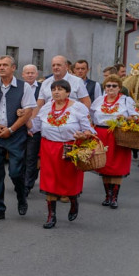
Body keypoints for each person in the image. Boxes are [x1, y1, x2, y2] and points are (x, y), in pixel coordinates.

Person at [0, 55, 35, 220]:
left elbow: (28, 112)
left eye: (5, 65)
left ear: (13, 68)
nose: (1, 68)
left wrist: (11, 129)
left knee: (15, 172)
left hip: (16, 135)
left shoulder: (24, 87)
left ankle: (21, 197)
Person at [34, 80, 96, 228]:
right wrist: (24, 117)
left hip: (70, 147)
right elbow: (35, 126)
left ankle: (73, 201)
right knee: (49, 181)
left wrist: (84, 135)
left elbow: (89, 129)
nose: (56, 92)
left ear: (68, 92)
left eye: (60, 89)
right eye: (54, 89)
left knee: (68, 180)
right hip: (48, 148)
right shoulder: (46, 107)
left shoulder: (78, 107)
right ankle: (51, 216)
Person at [89, 75, 139, 209]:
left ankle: (114, 197)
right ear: (104, 88)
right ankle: (108, 195)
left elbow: (137, 117)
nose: (111, 88)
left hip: (118, 135)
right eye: (108, 86)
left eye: (114, 86)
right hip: (101, 135)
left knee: (117, 166)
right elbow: (91, 116)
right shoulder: (99, 100)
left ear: (119, 88)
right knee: (104, 165)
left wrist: (126, 118)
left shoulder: (126, 100)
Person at [20, 64, 43, 193]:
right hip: (20, 126)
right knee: (20, 156)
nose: (30, 75)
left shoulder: (42, 88)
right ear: (22, 75)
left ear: (36, 74)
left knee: (31, 156)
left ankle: (27, 184)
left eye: (32, 73)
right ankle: (22, 179)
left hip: (36, 128)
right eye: (27, 73)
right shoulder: (18, 87)